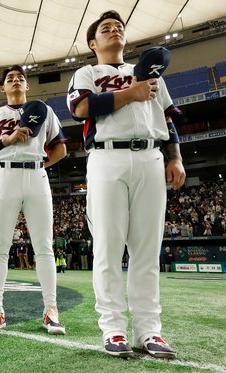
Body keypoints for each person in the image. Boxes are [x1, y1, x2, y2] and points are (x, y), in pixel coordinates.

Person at [66, 10, 186, 358]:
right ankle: (114, 329)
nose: (114, 30)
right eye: (105, 28)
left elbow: (168, 118)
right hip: (107, 157)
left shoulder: (150, 75)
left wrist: (175, 157)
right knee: (108, 247)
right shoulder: (87, 72)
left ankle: (149, 331)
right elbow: (81, 108)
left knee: (146, 251)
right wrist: (130, 94)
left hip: (150, 157)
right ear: (93, 43)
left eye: (119, 27)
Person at [0, 65, 67, 335]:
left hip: (36, 175)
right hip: (6, 176)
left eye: (20, 78)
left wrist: (39, 167)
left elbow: (60, 148)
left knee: (44, 247)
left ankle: (51, 310)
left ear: (27, 86)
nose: (15, 81)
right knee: (0, 246)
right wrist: (7, 140)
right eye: (10, 79)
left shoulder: (44, 111)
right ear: (2, 87)